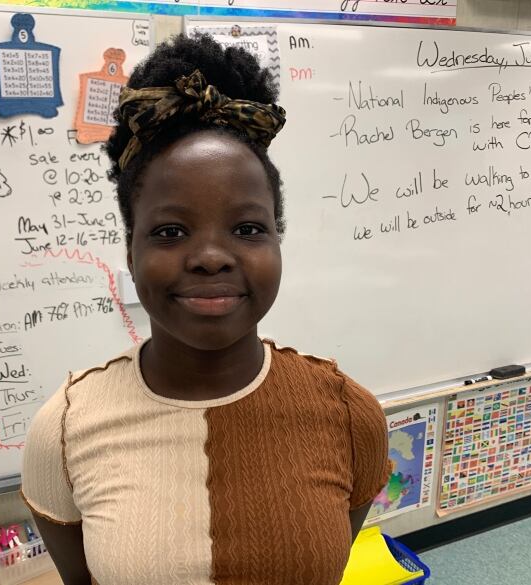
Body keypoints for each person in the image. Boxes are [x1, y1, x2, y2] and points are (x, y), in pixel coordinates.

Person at [22, 34, 391, 585]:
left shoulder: (350, 417)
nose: (212, 257)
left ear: (277, 240)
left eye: (247, 229)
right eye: (170, 231)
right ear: (132, 251)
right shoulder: (65, 429)